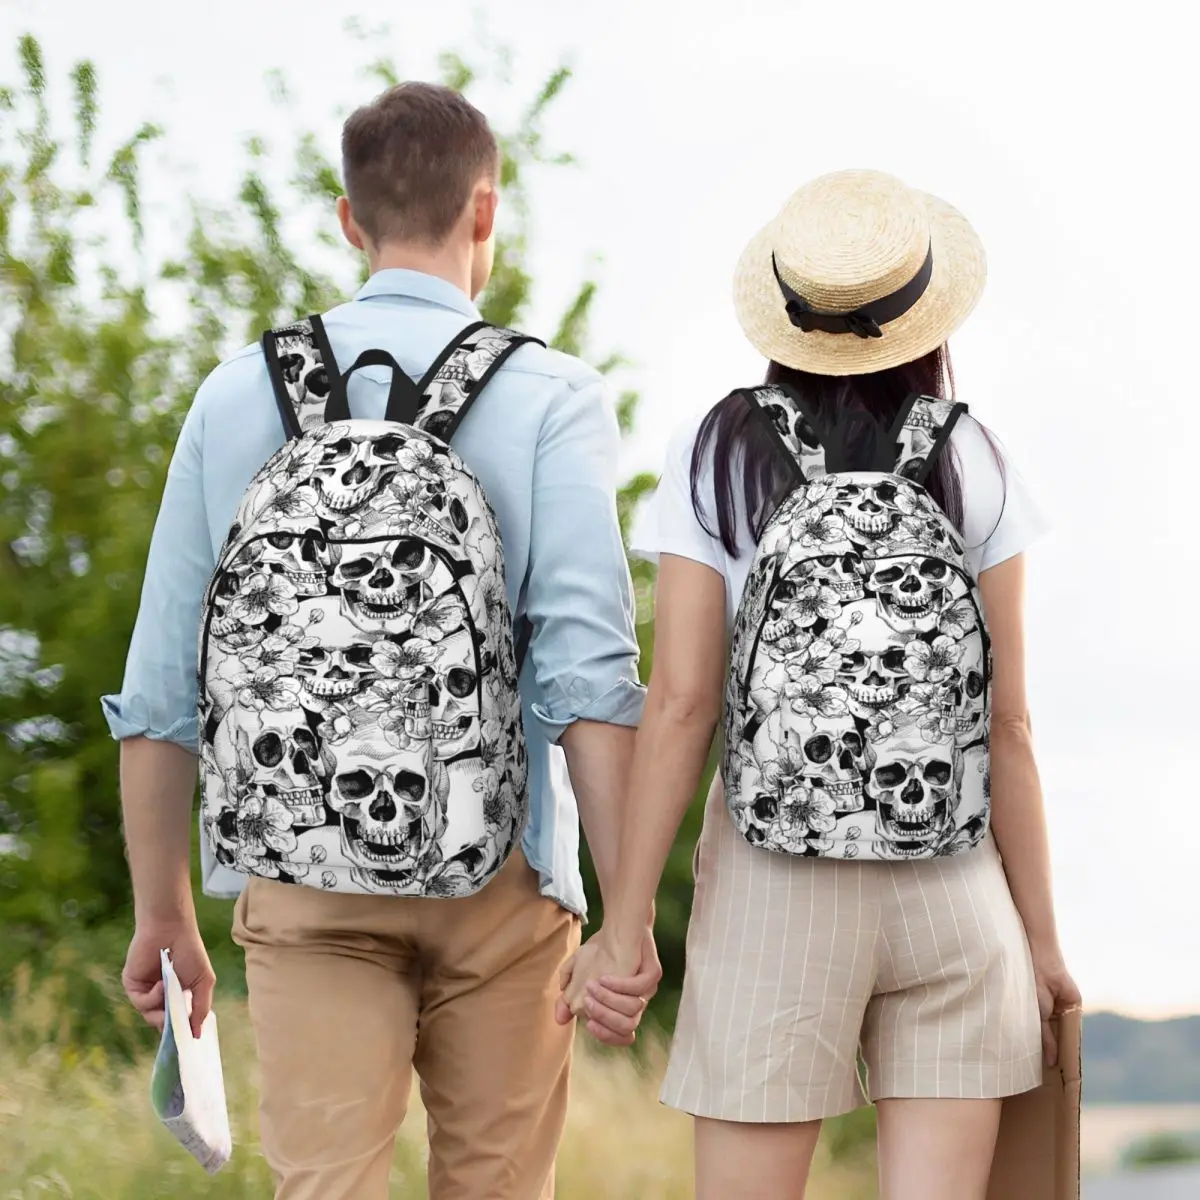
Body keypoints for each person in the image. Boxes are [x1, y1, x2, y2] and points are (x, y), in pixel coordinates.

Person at [104, 81, 661, 1200]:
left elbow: (163, 683)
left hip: (301, 878)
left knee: (325, 1187)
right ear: (486, 213)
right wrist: (627, 915)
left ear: (349, 220)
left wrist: (163, 911)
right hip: (504, 877)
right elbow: (588, 679)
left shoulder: (233, 396)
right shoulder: (551, 395)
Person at [560, 169, 1081, 1200]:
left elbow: (681, 704)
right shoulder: (976, 456)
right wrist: (1043, 943)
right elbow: (1009, 723)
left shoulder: (718, 451)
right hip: (954, 888)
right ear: (924, 316)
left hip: (773, 886)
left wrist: (624, 927)